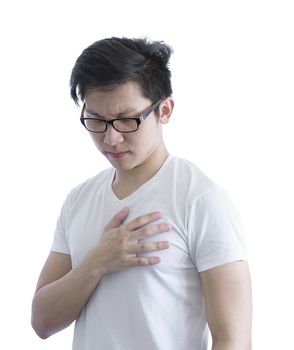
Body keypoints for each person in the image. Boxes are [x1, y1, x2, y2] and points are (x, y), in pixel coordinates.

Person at [31, 37, 252, 350]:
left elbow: (234, 339)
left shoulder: (200, 199)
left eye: (126, 119)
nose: (111, 137)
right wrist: (96, 263)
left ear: (165, 110)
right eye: (96, 120)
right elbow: (42, 321)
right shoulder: (79, 200)